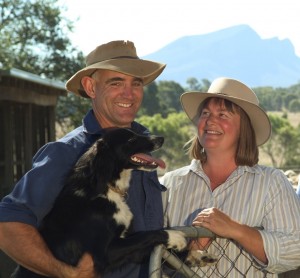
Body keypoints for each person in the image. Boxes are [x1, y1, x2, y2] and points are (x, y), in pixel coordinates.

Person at [0, 40, 166, 278]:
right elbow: (7, 225)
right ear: (90, 87)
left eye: (136, 83)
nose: (129, 93)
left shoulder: (143, 149)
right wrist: (67, 273)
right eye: (116, 82)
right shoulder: (67, 152)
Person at [161, 77, 300, 277]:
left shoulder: (272, 183)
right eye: (205, 113)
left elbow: (296, 251)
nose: (210, 120)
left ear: (244, 128)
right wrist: (189, 248)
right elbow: (151, 253)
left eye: (223, 114)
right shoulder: (170, 184)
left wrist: (235, 230)